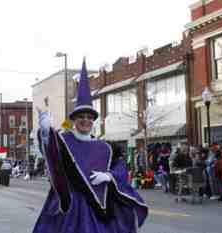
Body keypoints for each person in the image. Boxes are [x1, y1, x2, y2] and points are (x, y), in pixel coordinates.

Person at [32, 60, 148, 233]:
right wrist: (45, 131)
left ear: (93, 121)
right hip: (68, 207)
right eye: (81, 116)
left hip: (98, 210)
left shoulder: (106, 148)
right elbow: (50, 153)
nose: (85, 120)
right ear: (74, 120)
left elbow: (121, 168)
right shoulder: (63, 140)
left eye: (89, 117)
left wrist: (109, 176)